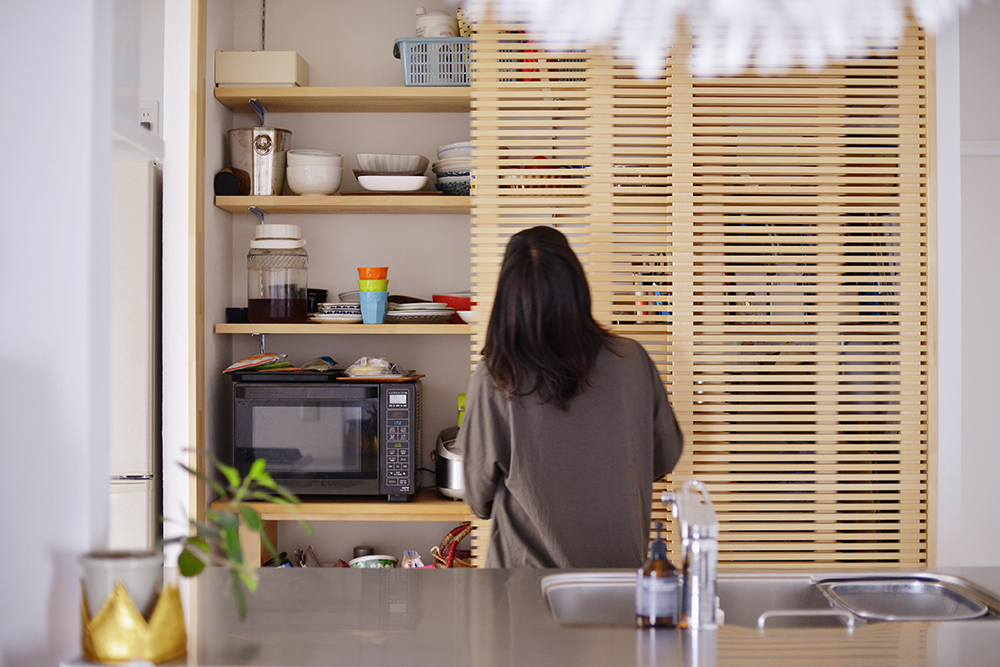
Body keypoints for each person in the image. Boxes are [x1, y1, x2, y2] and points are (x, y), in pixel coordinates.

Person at [458, 226, 684, 568]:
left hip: (525, 596)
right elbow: (664, 457)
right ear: (577, 288)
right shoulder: (632, 360)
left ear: (508, 299)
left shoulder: (497, 378)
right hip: (619, 587)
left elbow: (478, 498)